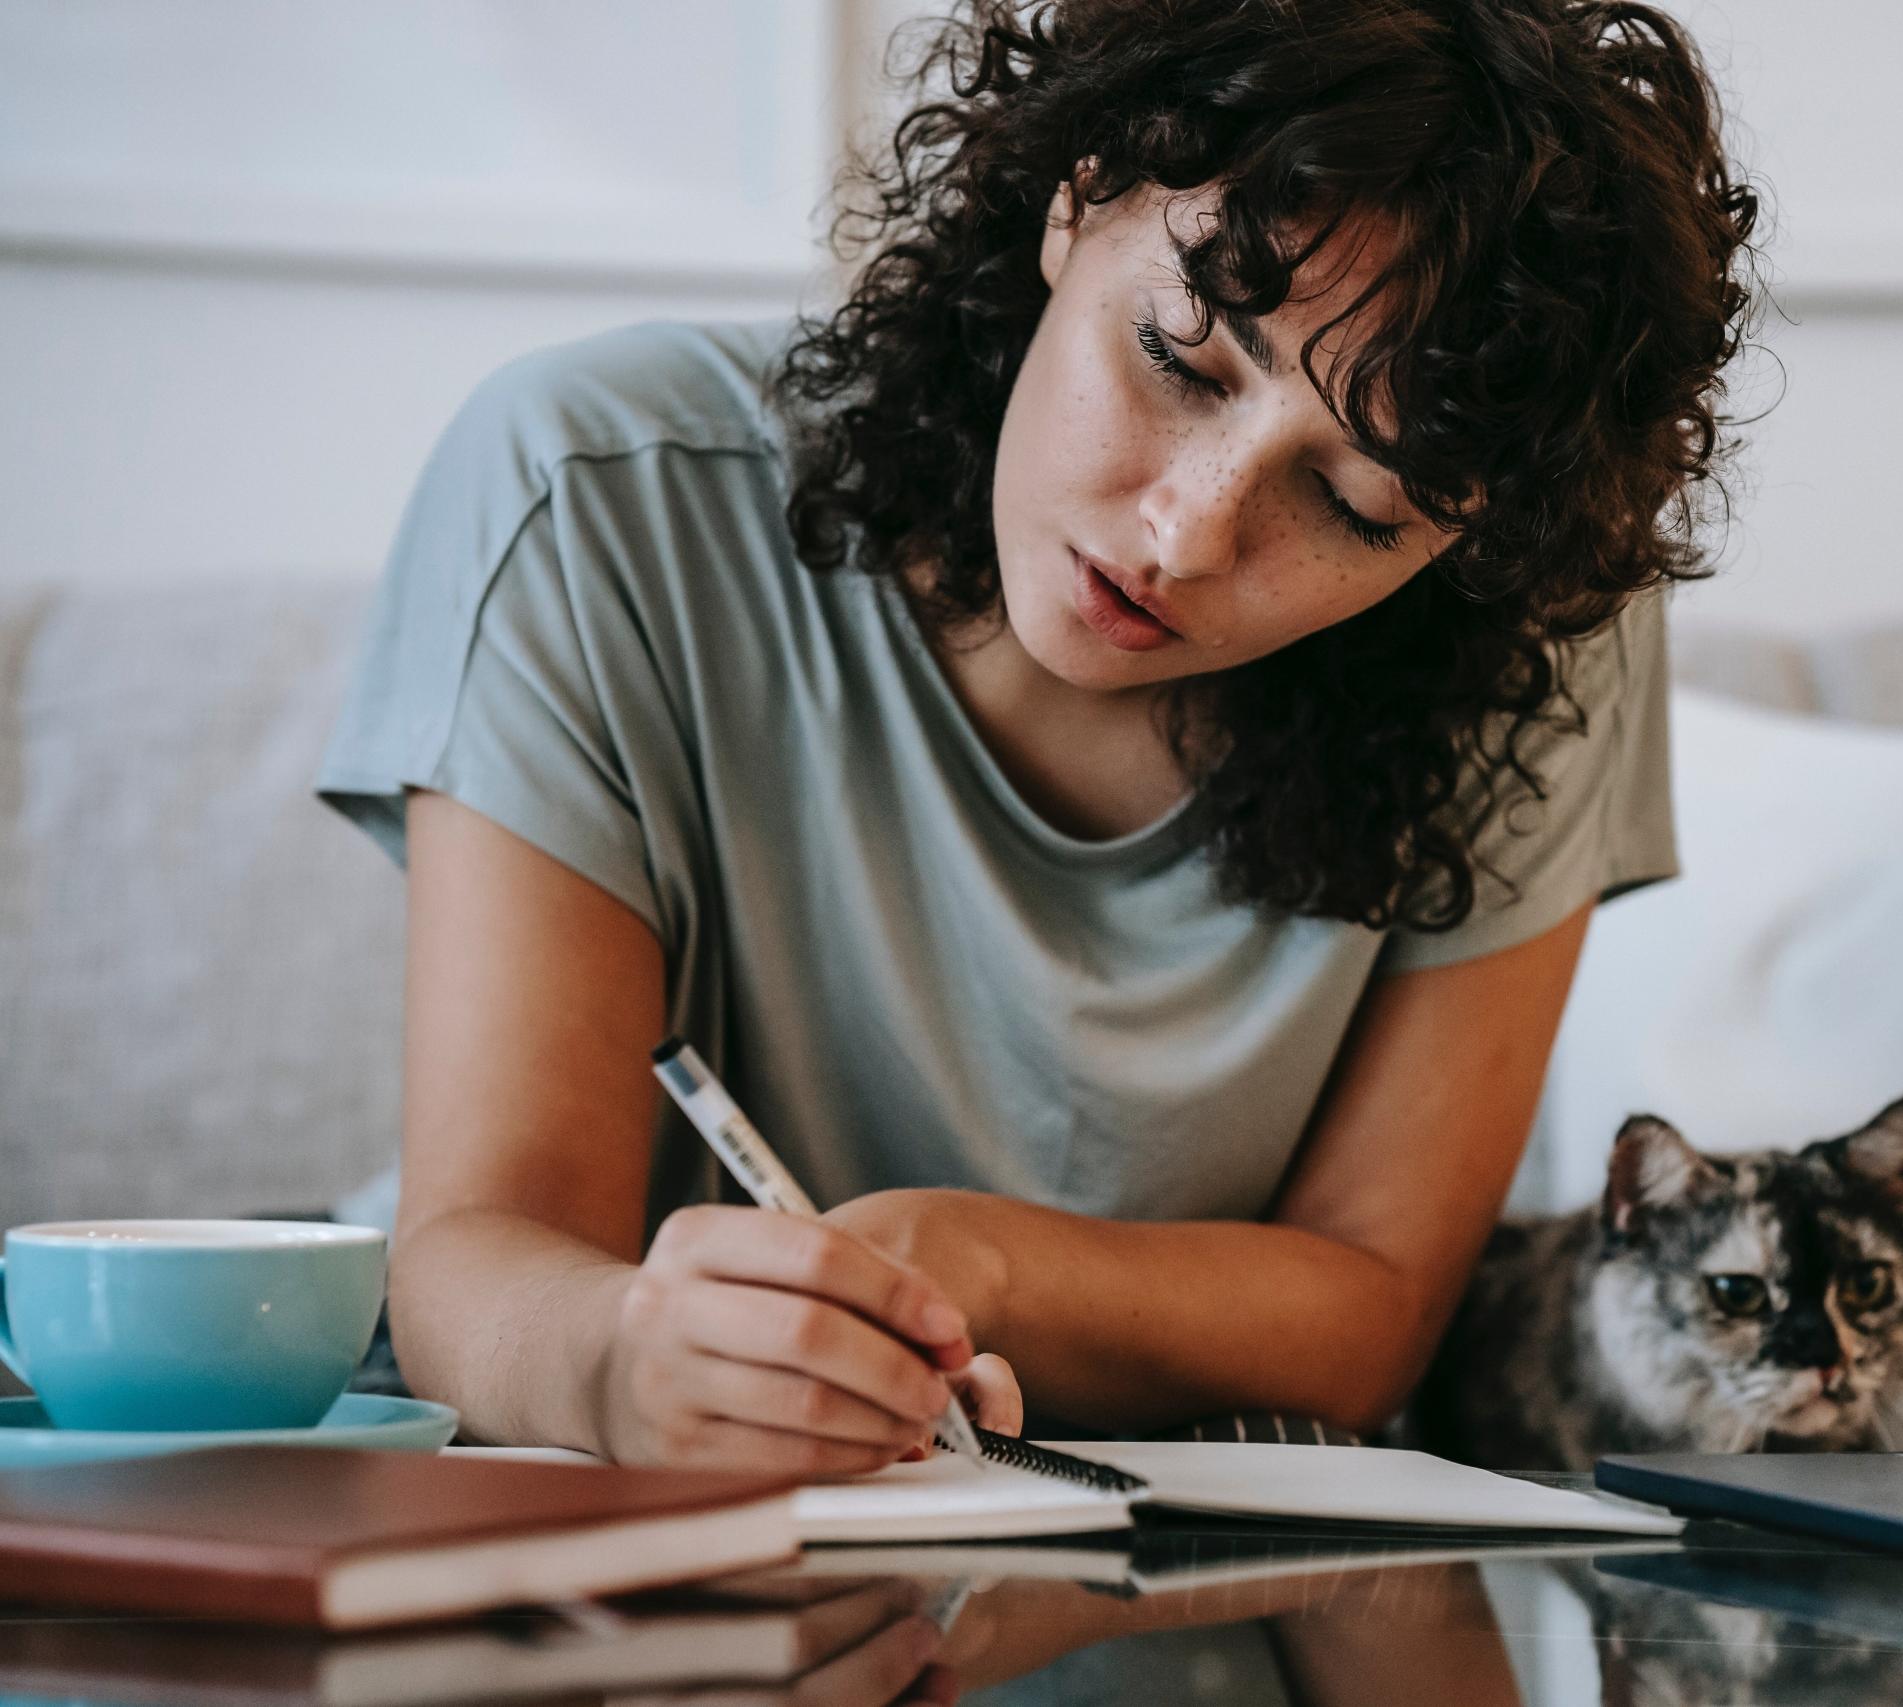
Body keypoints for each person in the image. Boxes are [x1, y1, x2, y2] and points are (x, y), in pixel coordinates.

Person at [314, 0, 1760, 1471]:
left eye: (1354, 505)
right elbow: (480, 1256)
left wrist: (961, 1261)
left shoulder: (1529, 638)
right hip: (574, 1480)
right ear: (1078, 194)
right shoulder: (594, 489)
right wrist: (626, 1363)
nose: (1187, 533)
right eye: (1178, 359)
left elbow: (1373, 1305)